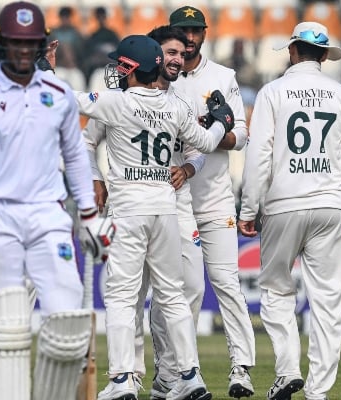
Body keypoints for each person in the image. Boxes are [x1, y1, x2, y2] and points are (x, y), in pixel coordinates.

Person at [0, 2, 114, 400]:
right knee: (9, 304)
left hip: (39, 212)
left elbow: (72, 151)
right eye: (5, 51)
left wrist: (89, 215)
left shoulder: (38, 93)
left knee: (53, 312)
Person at [72, 34, 235, 400]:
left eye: (121, 65)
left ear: (132, 69)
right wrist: (223, 122)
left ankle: (120, 380)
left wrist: (38, 76)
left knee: (121, 298)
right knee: (172, 296)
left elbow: (69, 101)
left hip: (129, 211)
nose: (115, 70)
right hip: (165, 209)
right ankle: (190, 375)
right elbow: (207, 143)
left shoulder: (116, 102)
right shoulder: (173, 106)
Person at [238, 21, 341, 400]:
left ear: (293, 51)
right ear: (324, 55)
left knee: (276, 290)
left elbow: (259, 154)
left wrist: (248, 207)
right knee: (329, 301)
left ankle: (288, 369)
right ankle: (318, 391)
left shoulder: (272, 91)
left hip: (283, 203)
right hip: (332, 205)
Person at [168, 6, 257, 397]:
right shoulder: (162, 77)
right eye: (182, 31)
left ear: (204, 34)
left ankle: (241, 370)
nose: (189, 37)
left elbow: (241, 137)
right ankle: (182, 373)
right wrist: (206, 132)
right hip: (175, 199)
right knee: (187, 291)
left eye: (195, 30)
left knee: (227, 284)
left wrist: (212, 134)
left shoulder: (223, 77)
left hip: (216, 197)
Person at [83, 6, 120, 83]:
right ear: (96, 18)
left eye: (102, 16)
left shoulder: (112, 34)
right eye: (99, 16)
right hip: (97, 65)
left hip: (110, 62)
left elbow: (118, 51)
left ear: (105, 17)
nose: (100, 19)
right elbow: (89, 53)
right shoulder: (93, 36)